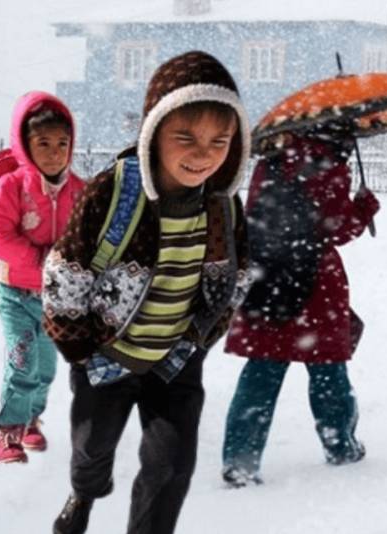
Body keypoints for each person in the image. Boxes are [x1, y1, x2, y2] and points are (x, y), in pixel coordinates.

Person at [42, 51, 252, 534]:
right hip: (106, 356)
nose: (203, 154)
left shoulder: (223, 208)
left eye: (220, 141)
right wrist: (81, 350)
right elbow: (65, 275)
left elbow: (232, 280)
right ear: (153, 132)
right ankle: (83, 495)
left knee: (172, 467)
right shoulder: (112, 194)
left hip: (175, 362)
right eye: (186, 138)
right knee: (92, 451)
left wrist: (198, 340)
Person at [221, 133, 379, 487]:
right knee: (328, 372)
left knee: (261, 372)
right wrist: (364, 208)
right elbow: (335, 228)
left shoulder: (271, 160)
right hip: (314, 283)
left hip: (271, 276)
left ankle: (240, 460)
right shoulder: (330, 165)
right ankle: (341, 445)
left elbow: (256, 214)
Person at [0, 92, 85, 463]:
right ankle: (8, 432)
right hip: (16, 294)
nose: (54, 152)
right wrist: (42, 258)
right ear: (25, 144)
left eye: (62, 143)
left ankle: (31, 420)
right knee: (22, 363)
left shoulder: (79, 191)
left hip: (57, 299)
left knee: (46, 366)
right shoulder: (11, 187)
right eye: (43, 144)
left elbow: (90, 233)